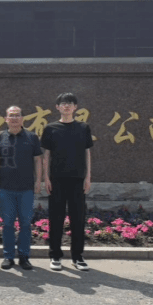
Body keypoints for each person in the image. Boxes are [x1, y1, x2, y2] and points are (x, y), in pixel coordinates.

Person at [40, 93, 93, 271]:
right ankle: (55, 256)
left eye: (70, 103)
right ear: (57, 107)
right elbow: (46, 155)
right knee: (56, 219)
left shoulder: (83, 127)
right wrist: (46, 178)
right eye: (63, 103)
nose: (67, 106)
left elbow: (87, 152)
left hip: (78, 179)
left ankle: (78, 257)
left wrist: (88, 177)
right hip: (56, 179)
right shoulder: (51, 128)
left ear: (75, 107)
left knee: (78, 219)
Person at [0, 106, 43, 270]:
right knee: (7, 224)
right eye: (11, 115)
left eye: (17, 115)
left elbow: (38, 160)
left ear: (22, 118)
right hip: (6, 188)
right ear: (6, 119)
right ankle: (8, 256)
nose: (14, 118)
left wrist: (38, 181)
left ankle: (24, 257)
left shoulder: (32, 137)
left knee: (25, 224)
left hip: (26, 188)